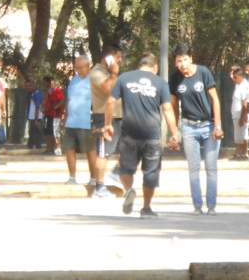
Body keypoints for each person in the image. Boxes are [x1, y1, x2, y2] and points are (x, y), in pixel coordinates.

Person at [104, 53, 180, 219]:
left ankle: (129, 190)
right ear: (155, 67)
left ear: (139, 65)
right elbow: (167, 109)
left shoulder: (124, 78)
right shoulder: (160, 82)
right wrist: (174, 133)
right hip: (152, 135)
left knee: (126, 167)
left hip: (129, 133)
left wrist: (108, 124)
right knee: (151, 171)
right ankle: (146, 208)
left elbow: (110, 102)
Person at [169, 44, 222, 214]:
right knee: (193, 168)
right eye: (179, 61)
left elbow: (215, 99)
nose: (183, 64)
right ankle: (197, 205)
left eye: (185, 59)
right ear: (175, 62)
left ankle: (212, 205)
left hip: (209, 125)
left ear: (191, 58)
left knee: (211, 167)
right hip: (188, 126)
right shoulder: (175, 78)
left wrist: (218, 125)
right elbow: (174, 105)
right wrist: (174, 132)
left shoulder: (203, 72)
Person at [90, 43, 123, 198]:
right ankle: (99, 187)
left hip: (120, 117)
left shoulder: (108, 72)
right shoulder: (97, 72)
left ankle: (117, 170)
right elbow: (108, 88)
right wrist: (115, 74)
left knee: (130, 147)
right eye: (118, 58)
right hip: (104, 118)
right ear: (109, 58)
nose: (120, 61)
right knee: (103, 154)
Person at [62, 55, 97, 187]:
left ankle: (93, 178)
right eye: (77, 68)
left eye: (81, 68)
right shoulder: (74, 80)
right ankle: (72, 177)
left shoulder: (94, 80)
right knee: (69, 149)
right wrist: (65, 121)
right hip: (71, 122)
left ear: (89, 66)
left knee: (90, 150)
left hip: (86, 122)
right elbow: (69, 101)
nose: (79, 71)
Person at [230, 67, 249, 160]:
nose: (233, 79)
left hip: (242, 115)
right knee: (238, 135)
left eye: (235, 77)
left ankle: (245, 153)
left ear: (240, 76)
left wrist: (243, 117)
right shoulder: (238, 85)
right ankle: (238, 152)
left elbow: (245, 103)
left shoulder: (244, 86)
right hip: (236, 115)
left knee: (244, 134)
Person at [42, 76, 64, 155]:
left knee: (56, 131)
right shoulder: (48, 91)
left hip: (55, 114)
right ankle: (49, 148)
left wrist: (54, 108)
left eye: (45, 82)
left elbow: (61, 101)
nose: (44, 84)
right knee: (48, 132)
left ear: (51, 82)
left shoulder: (56, 90)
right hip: (48, 114)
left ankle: (58, 148)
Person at [26, 80, 43, 149]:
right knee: (31, 131)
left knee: (37, 132)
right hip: (32, 117)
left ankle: (37, 146)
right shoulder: (32, 94)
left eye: (31, 86)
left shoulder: (37, 95)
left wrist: (36, 119)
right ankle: (31, 145)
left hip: (36, 117)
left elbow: (37, 107)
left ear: (35, 86)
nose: (29, 87)